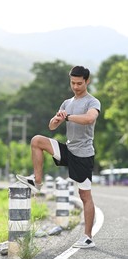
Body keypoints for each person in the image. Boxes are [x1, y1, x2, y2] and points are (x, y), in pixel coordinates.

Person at [16, 66, 101, 248]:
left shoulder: (92, 102)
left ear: (87, 81)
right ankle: (37, 181)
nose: (76, 87)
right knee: (37, 140)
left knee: (85, 195)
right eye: (73, 83)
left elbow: (89, 119)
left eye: (79, 83)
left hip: (83, 155)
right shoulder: (66, 102)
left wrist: (68, 117)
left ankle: (87, 237)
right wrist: (56, 120)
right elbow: (52, 127)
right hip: (68, 149)